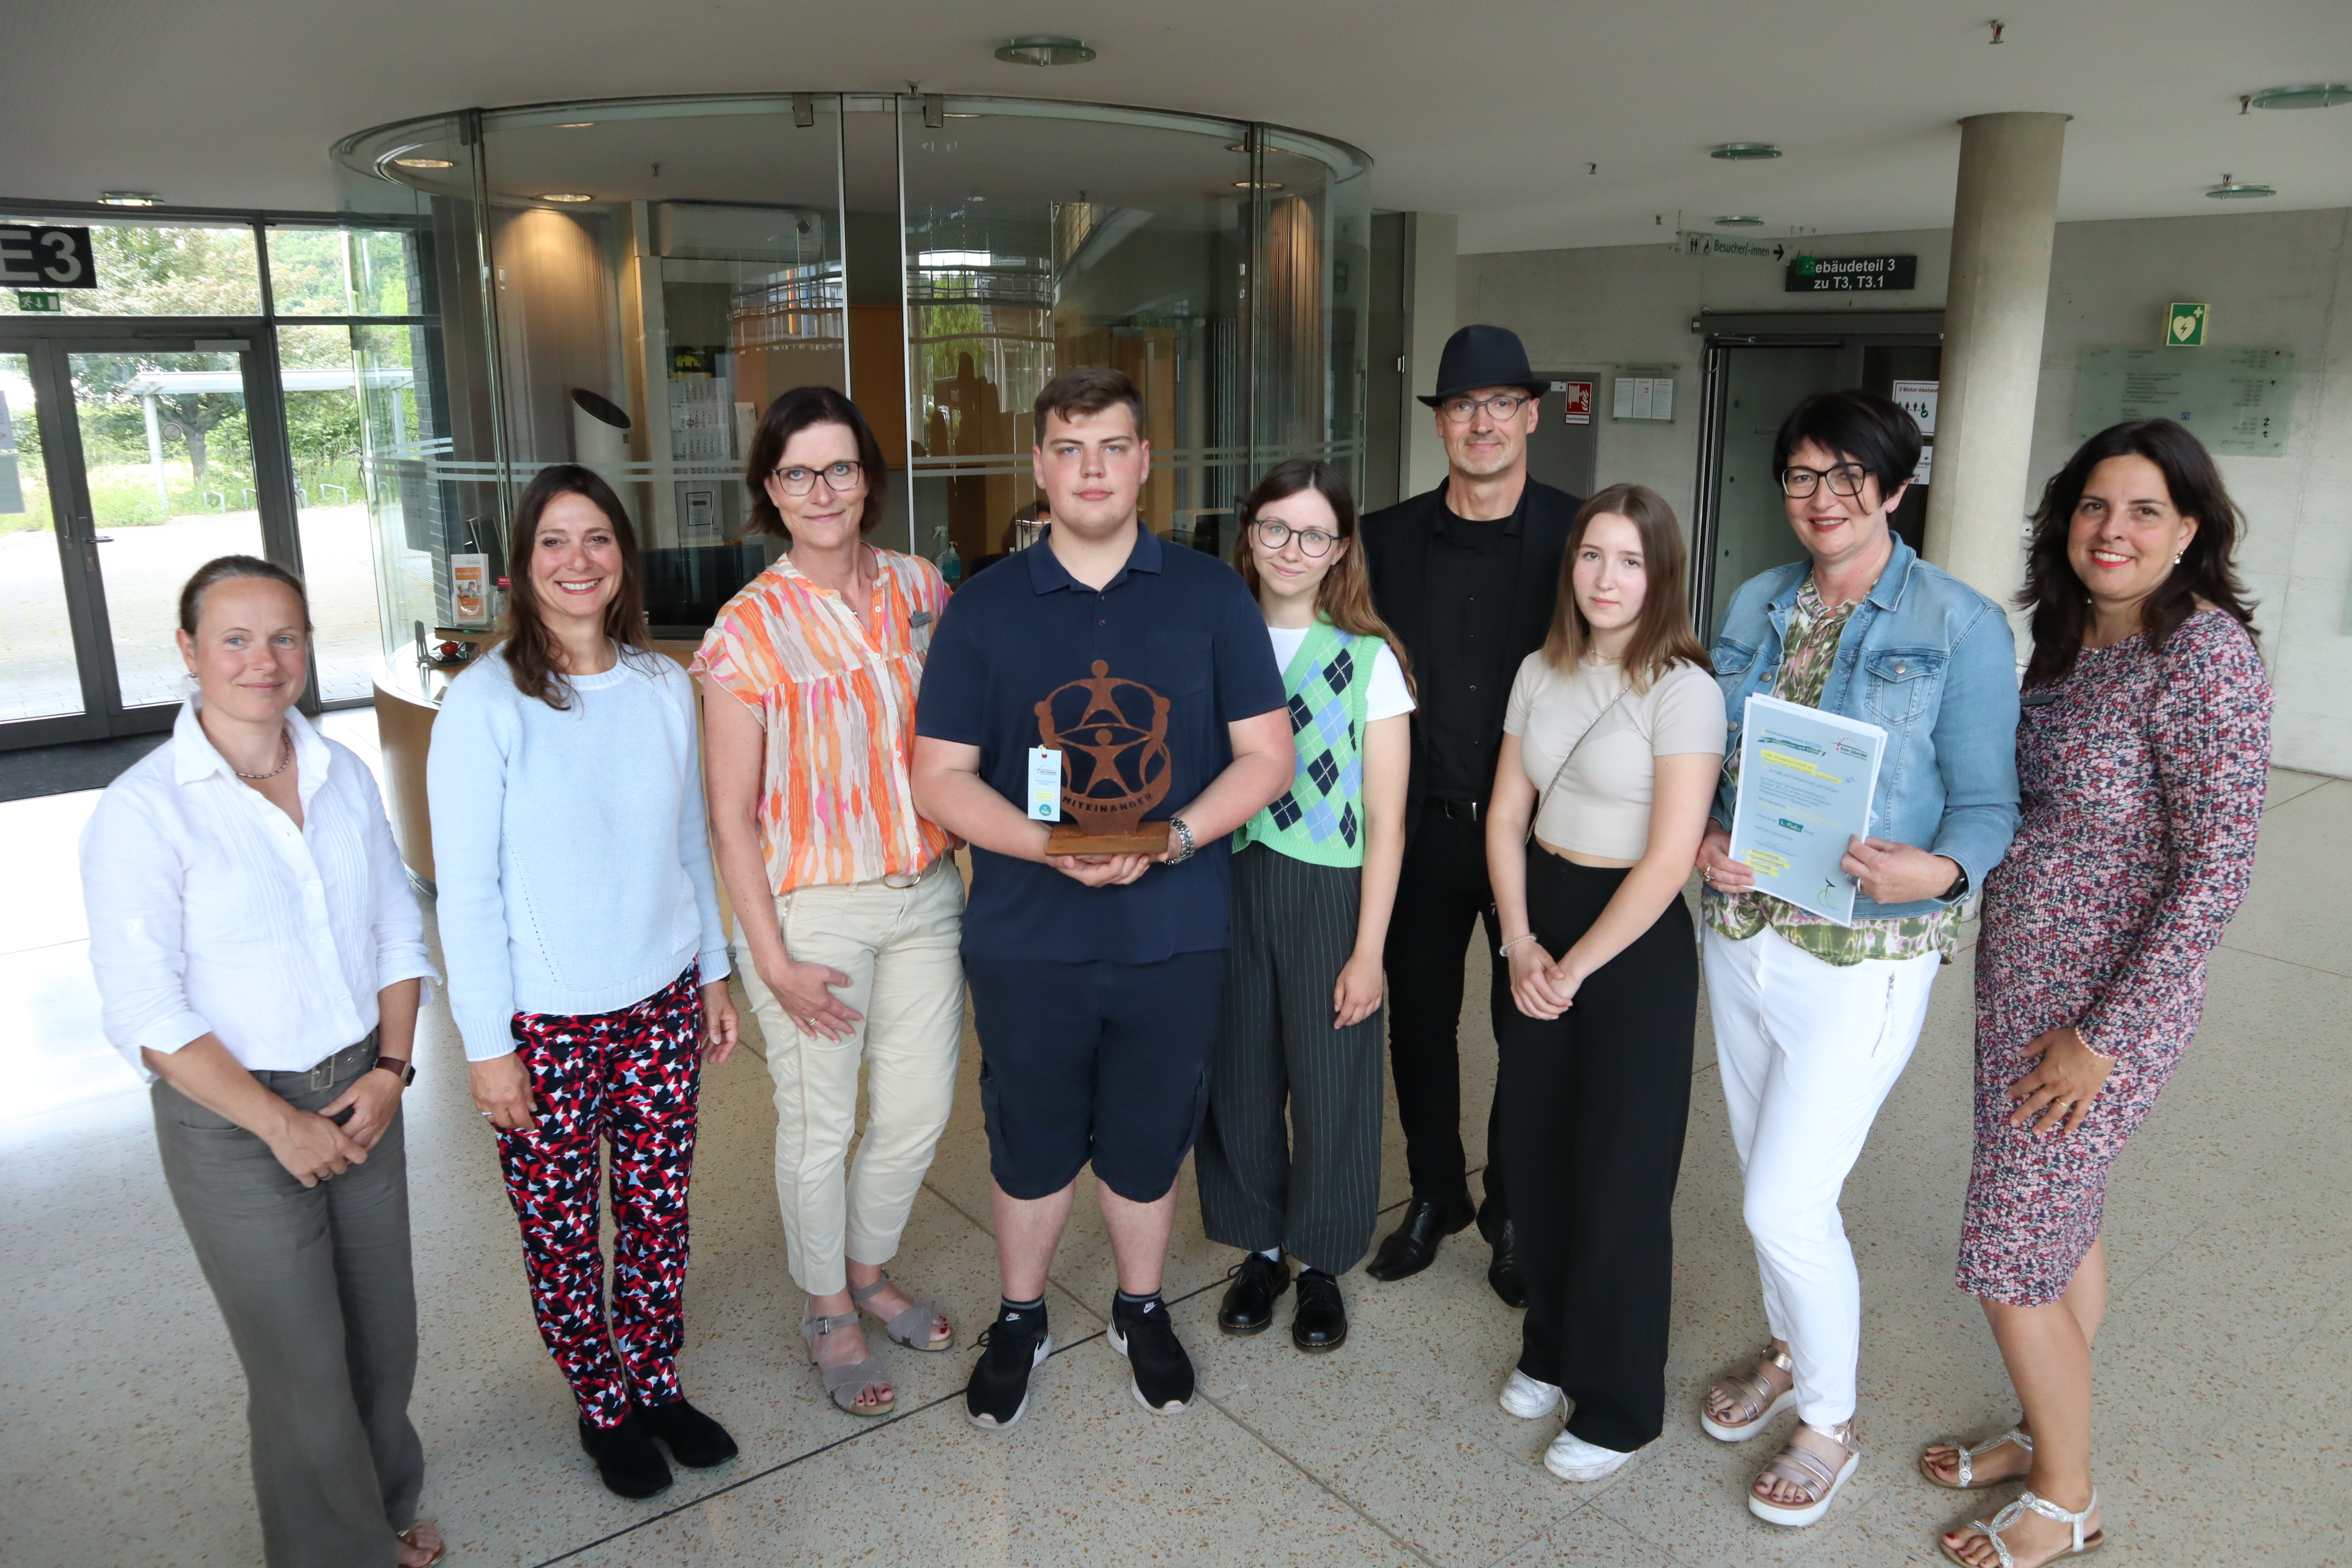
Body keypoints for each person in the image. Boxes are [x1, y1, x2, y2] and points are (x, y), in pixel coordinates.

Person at [911, 365, 1291, 1429]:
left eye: (1112, 447)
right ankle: (1021, 1317)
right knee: (1029, 1138)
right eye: (1070, 448)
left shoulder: (1211, 594)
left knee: (1146, 1132)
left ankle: (1139, 1305)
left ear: (1144, 464)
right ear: (1039, 465)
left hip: (1175, 932)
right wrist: (1044, 843)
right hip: (1027, 937)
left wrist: (1168, 838)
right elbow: (938, 775)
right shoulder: (982, 608)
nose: (1091, 468)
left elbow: (1267, 756)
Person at [1923, 420, 2270, 1568]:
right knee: (2060, 1224)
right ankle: (2043, 1431)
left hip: (2102, 1018)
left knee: (2008, 1244)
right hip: (2023, 990)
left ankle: (2068, 1498)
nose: (2112, 530)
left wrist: (2103, 1038)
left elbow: (2216, 871)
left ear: (2189, 532)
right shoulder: (2070, 642)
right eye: (2091, 507)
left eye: (2143, 510)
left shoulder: (2203, 653)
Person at [1694, 388, 2020, 1527]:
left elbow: (1987, 805)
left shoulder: (1959, 624)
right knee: (1763, 1180)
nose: (1821, 500)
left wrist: (1936, 872)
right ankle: (1790, 1344)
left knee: (1788, 1202)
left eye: (1846, 478)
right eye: (1800, 476)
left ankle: (1829, 1419)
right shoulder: (1756, 600)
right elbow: (1710, 757)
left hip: (1866, 954)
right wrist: (1704, 835)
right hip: (1741, 936)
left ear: (1893, 485)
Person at [81, 556, 444, 1568]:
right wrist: (277, 1122)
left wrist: (393, 1072)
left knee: (385, 1337)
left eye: (284, 636)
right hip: (233, 1122)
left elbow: (394, 932)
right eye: (234, 638)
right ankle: (338, 1554)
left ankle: (380, 1504)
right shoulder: (144, 811)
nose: (263, 659)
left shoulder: (341, 774)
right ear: (190, 652)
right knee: (300, 1367)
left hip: (363, 1086)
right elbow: (148, 1012)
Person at [429, 466, 741, 1498]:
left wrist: (713, 977)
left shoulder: (660, 687)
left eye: (597, 539)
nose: (578, 561)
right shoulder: (483, 706)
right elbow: (466, 894)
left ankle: (653, 1380)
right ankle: (601, 1405)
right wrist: (487, 1048)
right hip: (544, 1025)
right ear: (523, 566)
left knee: (658, 1213)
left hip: (658, 1002)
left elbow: (690, 843)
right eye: (555, 542)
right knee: (561, 1226)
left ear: (623, 558)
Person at [696, 387, 965, 1419]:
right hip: (814, 912)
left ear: (868, 478)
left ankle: (868, 1266)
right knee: (819, 1124)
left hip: (927, 894)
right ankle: (827, 1307)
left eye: (841, 468)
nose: (824, 491)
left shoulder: (921, 590)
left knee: (915, 1112)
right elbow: (729, 819)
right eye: (799, 473)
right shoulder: (746, 629)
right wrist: (769, 958)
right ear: (771, 488)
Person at [1484, 485, 1723, 1483]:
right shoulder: (1541, 670)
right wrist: (1519, 940)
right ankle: (1550, 1345)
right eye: (1592, 556)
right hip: (1538, 919)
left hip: (1630, 947)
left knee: (1621, 1174)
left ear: (1659, 573)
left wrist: (1572, 964)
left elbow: (1669, 861)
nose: (1607, 578)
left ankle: (1620, 1405)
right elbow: (1505, 816)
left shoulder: (1684, 687)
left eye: (1629, 560)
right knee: (1532, 1152)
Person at [1359, 324, 1583, 1303]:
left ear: (1532, 416)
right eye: (1462, 406)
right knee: (1420, 1024)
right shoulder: (1383, 538)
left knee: (1529, 1024)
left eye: (1500, 404)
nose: (1482, 423)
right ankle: (1438, 1192)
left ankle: (1513, 1208)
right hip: (1417, 828)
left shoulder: (1584, 537)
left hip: (1537, 836)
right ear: (1441, 423)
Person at [1197, 459, 1415, 1354]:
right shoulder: (1214, 640)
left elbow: (1389, 822)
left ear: (1340, 549)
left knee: (1333, 1085)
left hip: (1329, 888)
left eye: (1314, 533)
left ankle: (1321, 1261)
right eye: (1276, 528)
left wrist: (1368, 951)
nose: (1293, 548)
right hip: (1222, 883)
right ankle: (1262, 1246)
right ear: (1248, 535)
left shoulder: (1370, 662)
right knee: (1239, 1075)